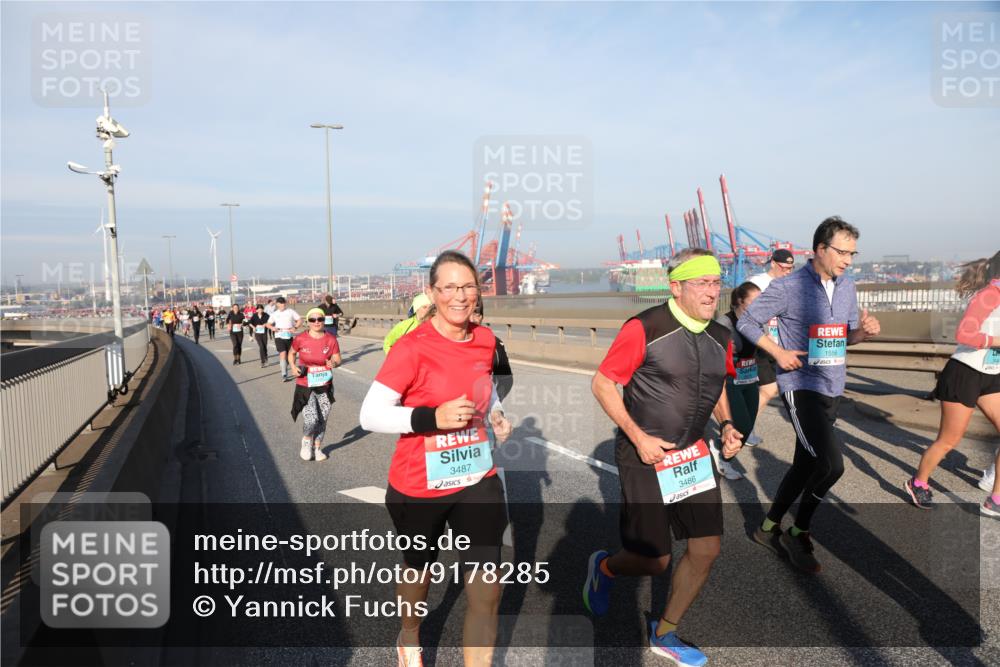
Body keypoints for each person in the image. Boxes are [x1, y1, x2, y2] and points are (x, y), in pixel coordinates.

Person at [584, 248, 742, 667]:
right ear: (677, 286)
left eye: (716, 283)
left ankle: (665, 631)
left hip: (692, 453)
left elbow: (717, 383)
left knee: (706, 549)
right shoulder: (645, 327)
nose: (713, 292)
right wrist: (638, 437)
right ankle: (606, 569)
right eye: (703, 284)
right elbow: (603, 384)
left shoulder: (721, 335)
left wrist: (726, 425)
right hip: (645, 453)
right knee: (654, 559)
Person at [359, 250, 513, 667]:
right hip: (419, 483)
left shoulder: (484, 339)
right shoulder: (412, 348)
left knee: (487, 588)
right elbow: (369, 414)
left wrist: (496, 412)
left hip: (475, 474)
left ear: (478, 292)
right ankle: (409, 634)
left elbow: (487, 386)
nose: (460, 297)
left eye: (467, 287)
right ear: (432, 293)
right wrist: (433, 417)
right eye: (449, 288)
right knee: (418, 572)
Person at [739, 216, 880, 573]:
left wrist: (863, 333)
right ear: (820, 249)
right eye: (842, 252)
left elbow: (844, 337)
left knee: (804, 464)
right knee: (831, 465)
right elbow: (747, 322)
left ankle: (767, 527)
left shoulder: (847, 287)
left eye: (853, 253)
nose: (848, 260)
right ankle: (798, 530)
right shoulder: (789, 286)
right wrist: (778, 352)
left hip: (833, 385)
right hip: (801, 386)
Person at [904, 251, 1000, 515]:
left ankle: (996, 500)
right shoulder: (990, 295)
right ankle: (918, 482)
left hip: (992, 374)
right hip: (965, 373)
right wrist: (996, 341)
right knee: (949, 440)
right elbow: (964, 333)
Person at [713, 281, 764, 481]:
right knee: (741, 424)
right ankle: (722, 458)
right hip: (731, 379)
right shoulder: (725, 322)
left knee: (748, 424)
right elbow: (713, 345)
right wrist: (725, 348)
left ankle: (722, 450)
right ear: (740, 301)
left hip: (750, 376)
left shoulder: (758, 320)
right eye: (754, 301)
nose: (760, 305)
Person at [745, 248, 797, 446]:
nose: (788, 272)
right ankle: (743, 429)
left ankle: (744, 427)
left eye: (791, 268)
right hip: (761, 344)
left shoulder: (789, 285)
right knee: (767, 389)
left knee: (770, 389)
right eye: (785, 267)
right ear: (774, 263)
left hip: (780, 345)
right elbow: (746, 314)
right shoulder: (757, 283)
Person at [289, 308, 342, 461]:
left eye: (320, 319)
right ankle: (306, 440)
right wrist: (293, 367)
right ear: (308, 322)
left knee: (322, 418)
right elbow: (291, 353)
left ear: (324, 321)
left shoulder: (331, 339)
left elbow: (338, 360)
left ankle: (317, 447)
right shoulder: (301, 339)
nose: (317, 322)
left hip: (324, 384)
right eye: (313, 320)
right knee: (311, 418)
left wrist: (334, 363)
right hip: (305, 383)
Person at [470, 296, 513, 402]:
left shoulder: (495, 343)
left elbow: (506, 379)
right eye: (468, 313)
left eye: (477, 313)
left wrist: (494, 403)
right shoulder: (447, 342)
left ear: (482, 317)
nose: (472, 319)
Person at [266, 296, 302, 381]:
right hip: (279, 336)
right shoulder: (274, 314)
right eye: (279, 305)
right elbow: (268, 324)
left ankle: (292, 368)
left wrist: (295, 327)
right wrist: (273, 328)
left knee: (291, 354)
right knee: (283, 353)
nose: (281, 307)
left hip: (289, 336)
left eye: (283, 305)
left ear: (285, 304)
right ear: (277, 305)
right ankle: (284, 374)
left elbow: (299, 320)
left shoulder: (290, 311)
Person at [249, 304, 271, 368]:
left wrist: (265, 324)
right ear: (257, 310)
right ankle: (262, 362)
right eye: (258, 309)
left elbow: (270, 322)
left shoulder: (266, 315)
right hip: (257, 333)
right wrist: (253, 327)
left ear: (262, 309)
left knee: (264, 346)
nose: (260, 310)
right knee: (261, 346)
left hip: (264, 333)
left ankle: (265, 356)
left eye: (261, 309)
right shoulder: (254, 315)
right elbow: (250, 323)